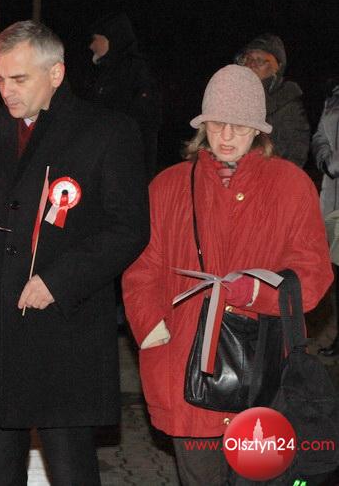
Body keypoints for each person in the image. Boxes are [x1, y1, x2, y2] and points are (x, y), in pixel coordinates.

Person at [0, 20, 149, 485]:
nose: (6, 91)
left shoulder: (107, 131)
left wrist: (58, 281)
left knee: (72, 469)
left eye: (19, 79)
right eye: (0, 79)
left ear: (55, 73)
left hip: (64, 331)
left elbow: (129, 228)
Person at [122, 65, 333, 485]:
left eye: (239, 125)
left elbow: (313, 275)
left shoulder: (292, 186)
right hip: (186, 366)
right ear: (203, 125)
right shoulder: (168, 186)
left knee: (258, 477)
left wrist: (257, 293)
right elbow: (141, 267)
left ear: (259, 129)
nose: (227, 135)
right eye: (217, 124)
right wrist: (150, 326)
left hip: (263, 371)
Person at [80, 12, 159, 180]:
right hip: (104, 162)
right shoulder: (103, 72)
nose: (91, 46)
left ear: (110, 39)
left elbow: (142, 125)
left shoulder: (135, 72)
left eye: (95, 39)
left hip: (125, 166)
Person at [235, 33, 310, 167]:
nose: (251, 64)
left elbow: (296, 155)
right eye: (247, 59)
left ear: (278, 66)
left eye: (260, 60)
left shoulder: (287, 103)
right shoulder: (232, 96)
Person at [313, 78, 339, 357]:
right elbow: (320, 135)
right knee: (335, 274)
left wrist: (335, 161)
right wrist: (324, 157)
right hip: (334, 201)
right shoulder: (333, 98)